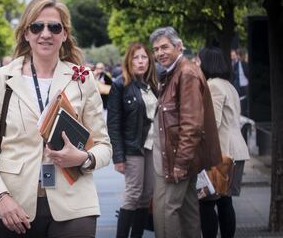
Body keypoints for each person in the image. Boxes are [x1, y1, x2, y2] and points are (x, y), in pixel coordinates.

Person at [0, 0, 112, 238]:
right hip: (15, 205)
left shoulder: (82, 79)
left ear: (64, 34)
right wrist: (0, 197)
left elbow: (104, 146)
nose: (45, 33)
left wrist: (83, 158)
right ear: (26, 33)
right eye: (36, 27)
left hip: (75, 201)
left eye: (54, 27)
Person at [149, 26, 222, 238]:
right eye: (156, 49)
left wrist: (180, 163)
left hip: (176, 158)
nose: (160, 53)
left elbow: (192, 124)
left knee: (166, 210)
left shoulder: (186, 73)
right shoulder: (175, 72)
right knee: (188, 208)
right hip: (176, 156)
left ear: (179, 46)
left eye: (164, 47)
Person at [198, 47, 250, 238]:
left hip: (222, 152)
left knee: (207, 202)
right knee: (225, 202)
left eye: (199, 61)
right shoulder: (229, 85)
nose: (197, 65)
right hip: (236, 150)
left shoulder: (213, 86)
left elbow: (214, 123)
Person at [107, 42, 158, 237]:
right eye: (136, 57)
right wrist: (118, 157)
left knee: (146, 197)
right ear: (129, 60)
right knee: (133, 195)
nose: (140, 61)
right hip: (132, 148)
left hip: (152, 146)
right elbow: (113, 123)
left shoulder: (153, 84)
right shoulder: (120, 84)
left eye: (144, 57)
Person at [230, 48, 249, 116]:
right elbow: (233, 76)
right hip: (238, 85)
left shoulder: (245, 64)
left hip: (245, 84)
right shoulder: (236, 65)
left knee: (245, 100)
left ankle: (244, 112)